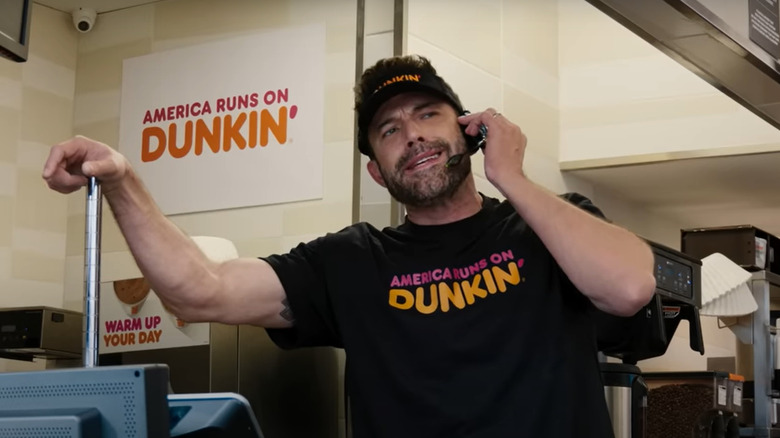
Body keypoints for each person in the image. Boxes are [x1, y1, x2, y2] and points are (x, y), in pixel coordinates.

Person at [43, 54, 656, 437]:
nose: (412, 135)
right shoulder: (351, 260)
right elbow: (199, 290)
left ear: (470, 130)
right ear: (376, 171)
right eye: (389, 129)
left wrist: (514, 178)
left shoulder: (548, 227)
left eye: (428, 114)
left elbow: (628, 288)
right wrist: (123, 180)